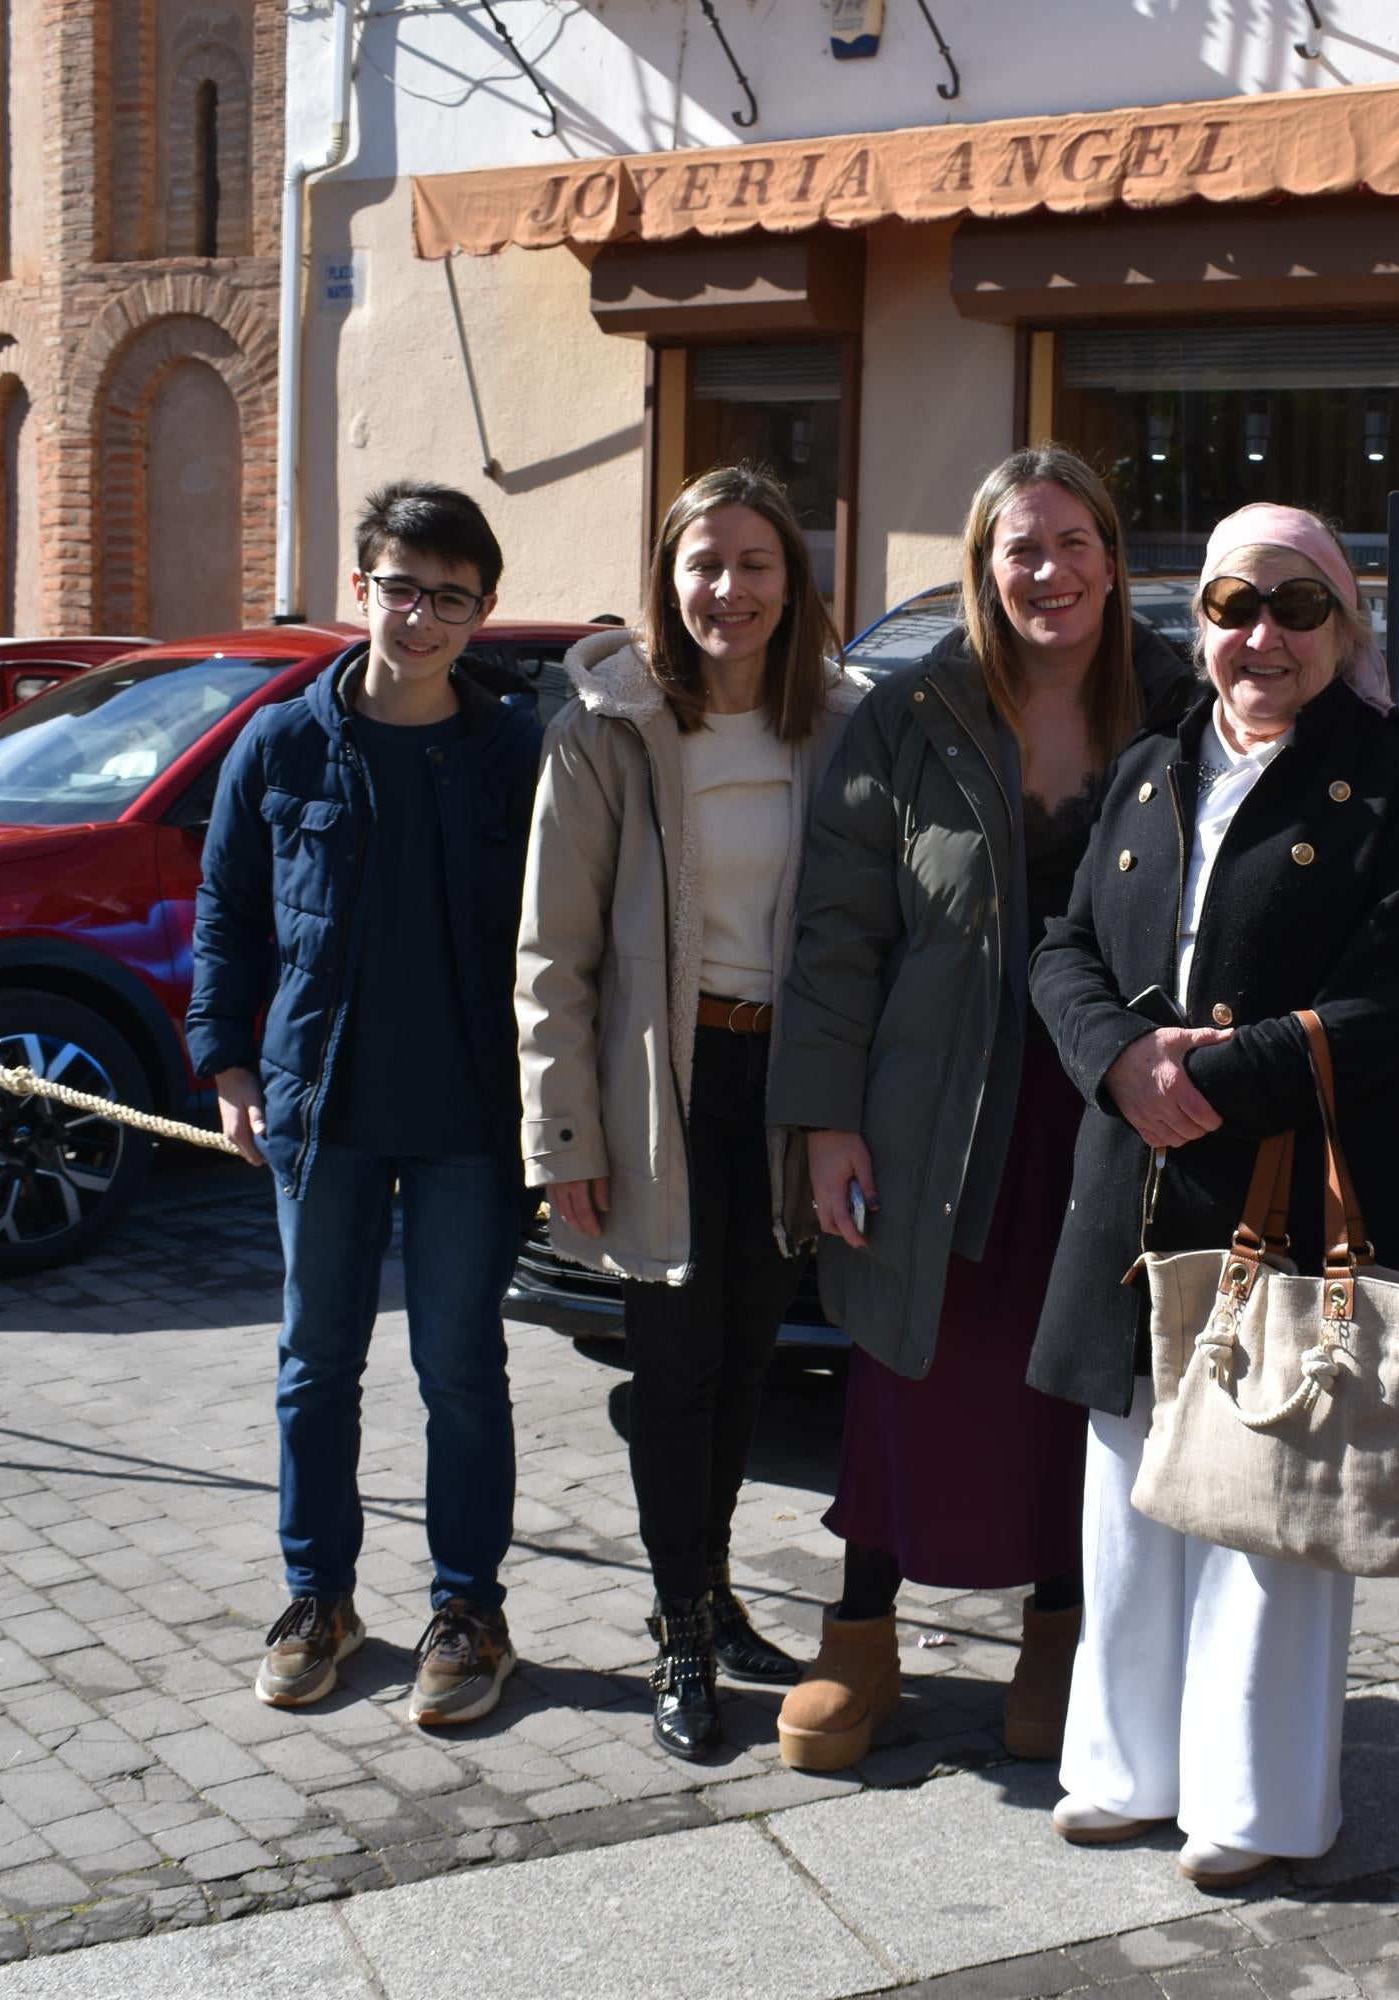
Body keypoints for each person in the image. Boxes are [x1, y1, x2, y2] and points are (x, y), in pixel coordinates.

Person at [1026, 503, 1399, 1891]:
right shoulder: (1152, 762)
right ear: (1200, 624)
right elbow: (1063, 947)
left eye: (1295, 605)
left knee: (1271, 1502)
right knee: (1131, 1492)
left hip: (1293, 1183)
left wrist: (1226, 1073)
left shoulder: (1396, 773)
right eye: (1230, 605)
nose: (1260, 635)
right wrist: (1115, 1061)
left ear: (1346, 627)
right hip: (1134, 1186)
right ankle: (1124, 1767)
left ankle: (1258, 1801)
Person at [768, 447, 1195, 1774]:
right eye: (1022, 547)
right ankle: (862, 1636)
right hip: (930, 1112)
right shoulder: (909, 715)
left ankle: (1060, 1634)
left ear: (1112, 559)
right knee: (907, 1371)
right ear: (983, 564)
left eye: (1073, 543)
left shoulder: (1179, 705)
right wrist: (825, 1121)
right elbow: (834, 935)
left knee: (1073, 1388)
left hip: (1101, 1114)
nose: (1048, 570)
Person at [518, 464, 862, 1761]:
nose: (729, 590)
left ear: (793, 580)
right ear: (668, 576)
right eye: (704, 564)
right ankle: (676, 1627)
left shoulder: (833, 721)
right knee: (678, 1372)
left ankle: (714, 1597)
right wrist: (563, 1141)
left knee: (749, 1364)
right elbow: (552, 954)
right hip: (658, 1089)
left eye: (755, 564)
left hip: (787, 1091)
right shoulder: (609, 726)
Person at [188, 481, 544, 1729]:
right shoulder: (280, 742)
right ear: (363, 587)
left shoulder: (514, 750)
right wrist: (227, 1063)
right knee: (313, 1366)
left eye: (452, 596)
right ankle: (317, 1597)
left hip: (468, 1120)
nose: (422, 616)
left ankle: (469, 1609)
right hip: (319, 1108)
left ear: (483, 609)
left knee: (460, 1367)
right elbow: (226, 914)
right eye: (402, 587)